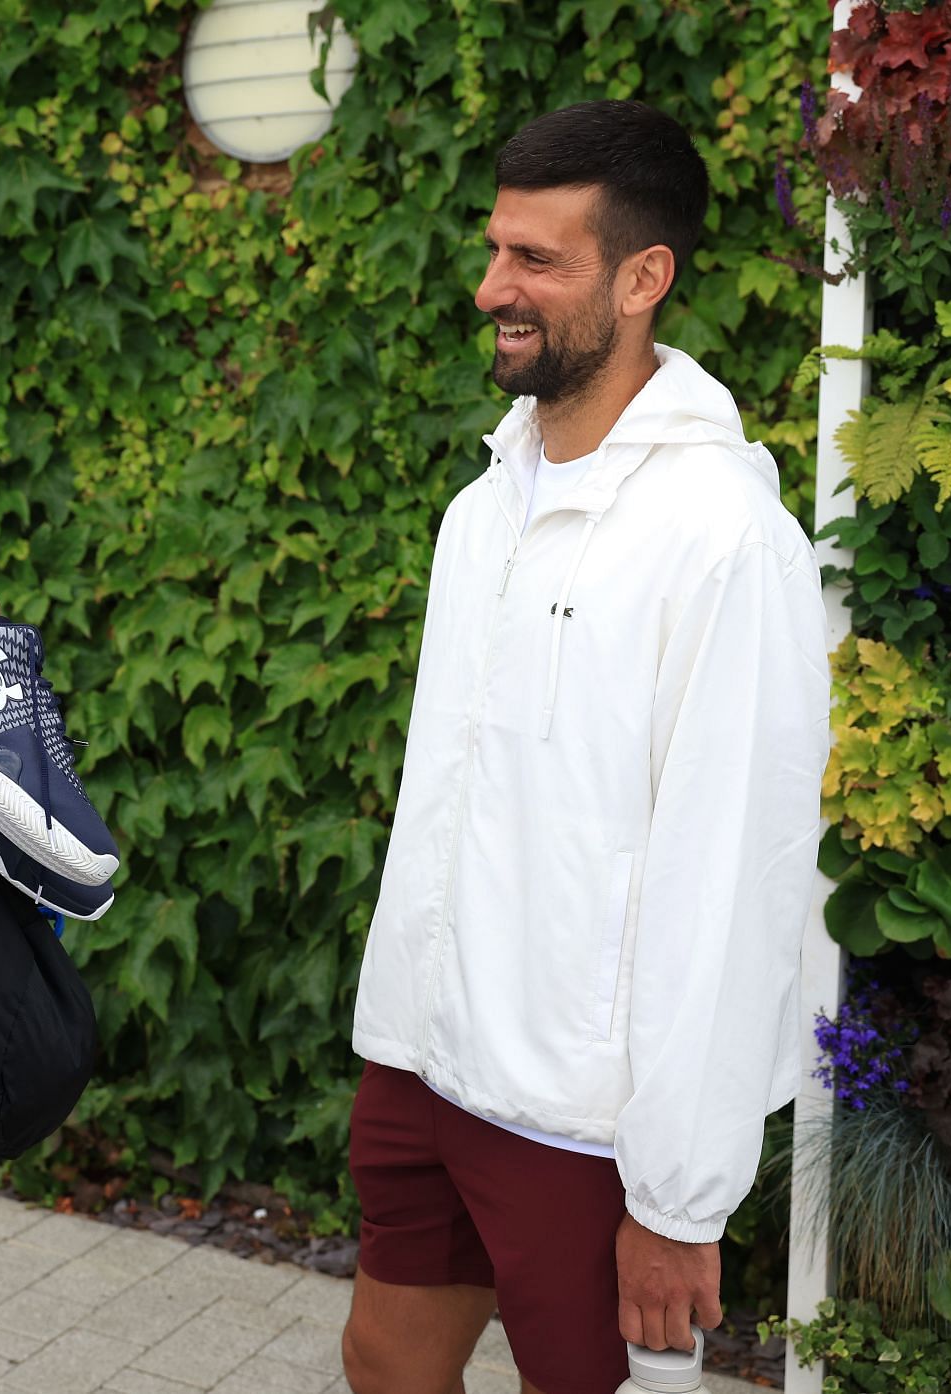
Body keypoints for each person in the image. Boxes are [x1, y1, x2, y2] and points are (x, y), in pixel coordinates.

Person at [342, 100, 831, 1394]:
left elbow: (733, 879)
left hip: (584, 1123)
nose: (493, 286)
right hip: (426, 1061)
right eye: (496, 249)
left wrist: (680, 1195)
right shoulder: (478, 511)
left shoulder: (724, 537)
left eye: (536, 261)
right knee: (384, 1361)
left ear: (642, 278)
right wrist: (400, 1029)